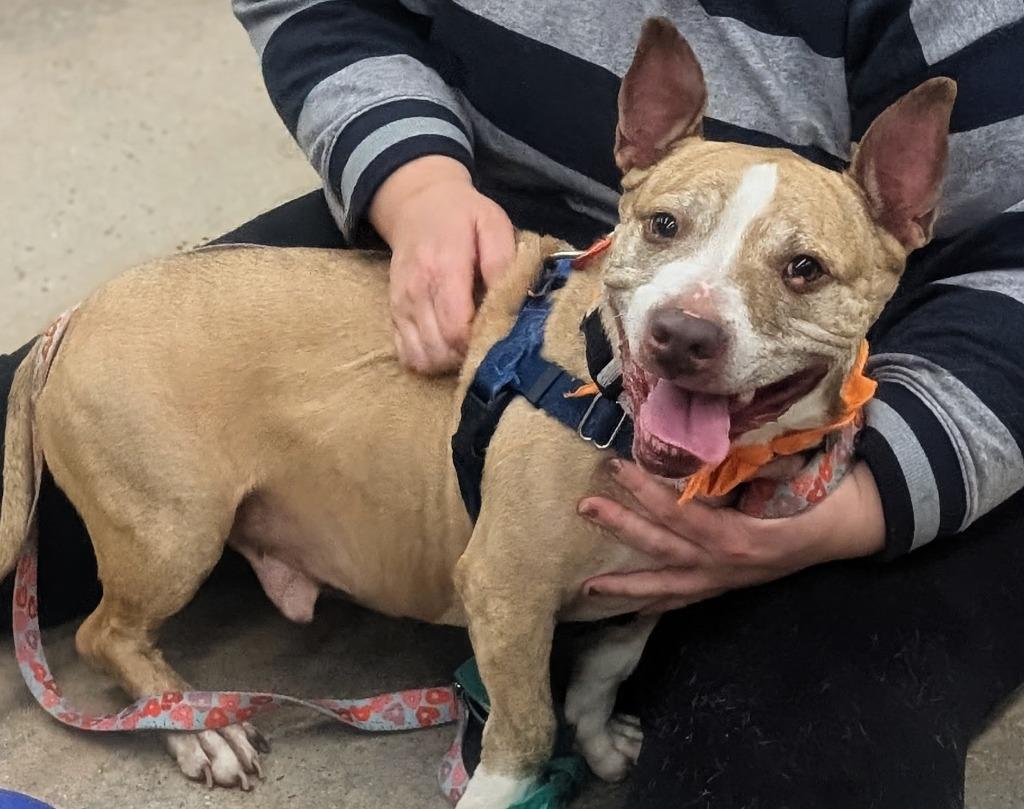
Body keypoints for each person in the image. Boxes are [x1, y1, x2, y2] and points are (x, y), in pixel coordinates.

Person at [2, 1, 1022, 806]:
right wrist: (412, 180)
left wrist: (859, 510)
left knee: (795, 764)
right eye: (666, 233)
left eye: (799, 269)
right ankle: (129, 647)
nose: (690, 322)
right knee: (93, 418)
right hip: (471, 205)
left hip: (941, 368)